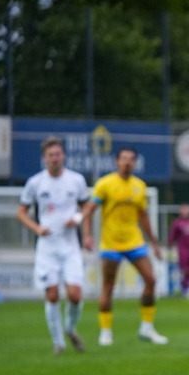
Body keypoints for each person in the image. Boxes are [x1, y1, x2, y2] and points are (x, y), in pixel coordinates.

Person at [81, 147, 169, 346]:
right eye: (124, 159)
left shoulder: (140, 186)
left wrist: (154, 244)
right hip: (111, 243)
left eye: (131, 159)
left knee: (151, 279)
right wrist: (86, 235)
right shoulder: (105, 184)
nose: (127, 162)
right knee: (108, 287)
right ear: (117, 161)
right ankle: (105, 331)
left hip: (134, 242)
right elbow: (90, 209)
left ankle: (147, 328)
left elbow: (144, 217)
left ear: (135, 163)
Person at [16, 136, 90, 354]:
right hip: (47, 247)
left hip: (70, 246)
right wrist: (37, 228)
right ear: (44, 158)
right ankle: (58, 343)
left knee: (75, 295)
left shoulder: (76, 180)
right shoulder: (35, 183)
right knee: (52, 295)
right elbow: (21, 213)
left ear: (64, 156)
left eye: (58, 154)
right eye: (51, 155)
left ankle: (70, 329)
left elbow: (87, 207)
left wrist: (78, 221)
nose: (55, 158)